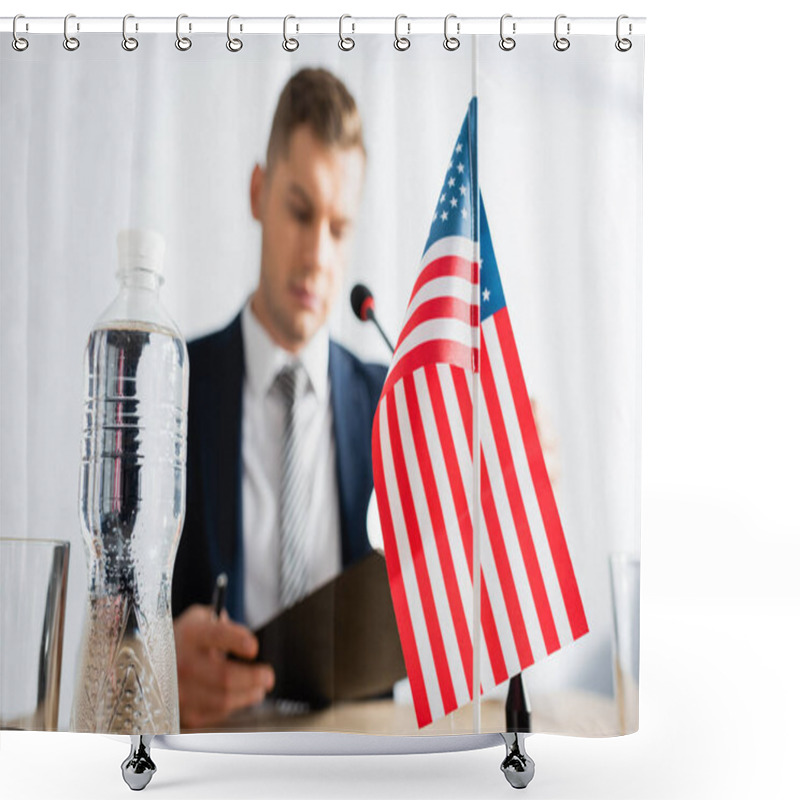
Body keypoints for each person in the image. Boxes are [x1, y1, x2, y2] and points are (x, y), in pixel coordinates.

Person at [171, 68, 386, 730]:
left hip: (364, 769)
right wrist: (155, 665)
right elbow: (109, 612)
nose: (319, 254)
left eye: (340, 227)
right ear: (259, 193)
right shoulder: (171, 383)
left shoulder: (396, 406)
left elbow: (449, 617)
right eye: (300, 211)